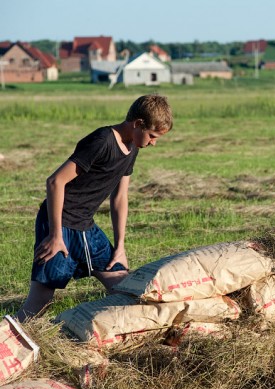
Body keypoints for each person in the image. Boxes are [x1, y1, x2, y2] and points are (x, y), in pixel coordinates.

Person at [16, 94, 173, 322]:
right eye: (152, 136)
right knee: (39, 305)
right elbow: (55, 181)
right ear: (138, 124)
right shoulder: (102, 141)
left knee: (124, 285)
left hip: (86, 227)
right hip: (61, 222)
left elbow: (120, 197)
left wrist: (120, 246)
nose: (154, 143)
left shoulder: (133, 148)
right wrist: (55, 235)